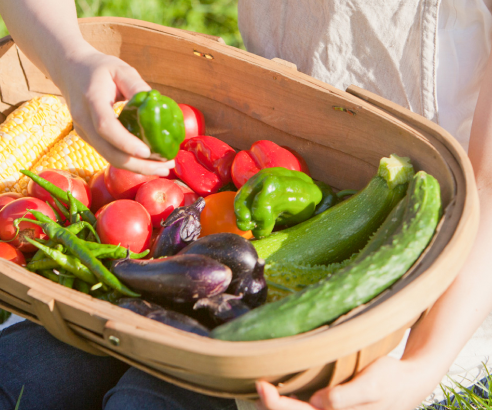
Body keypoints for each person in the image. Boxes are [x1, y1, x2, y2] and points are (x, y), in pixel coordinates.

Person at [0, 1, 492, 409]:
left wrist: (419, 370)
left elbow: (487, 184)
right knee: (24, 377)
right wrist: (69, 57)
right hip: (236, 207)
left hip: (420, 297)